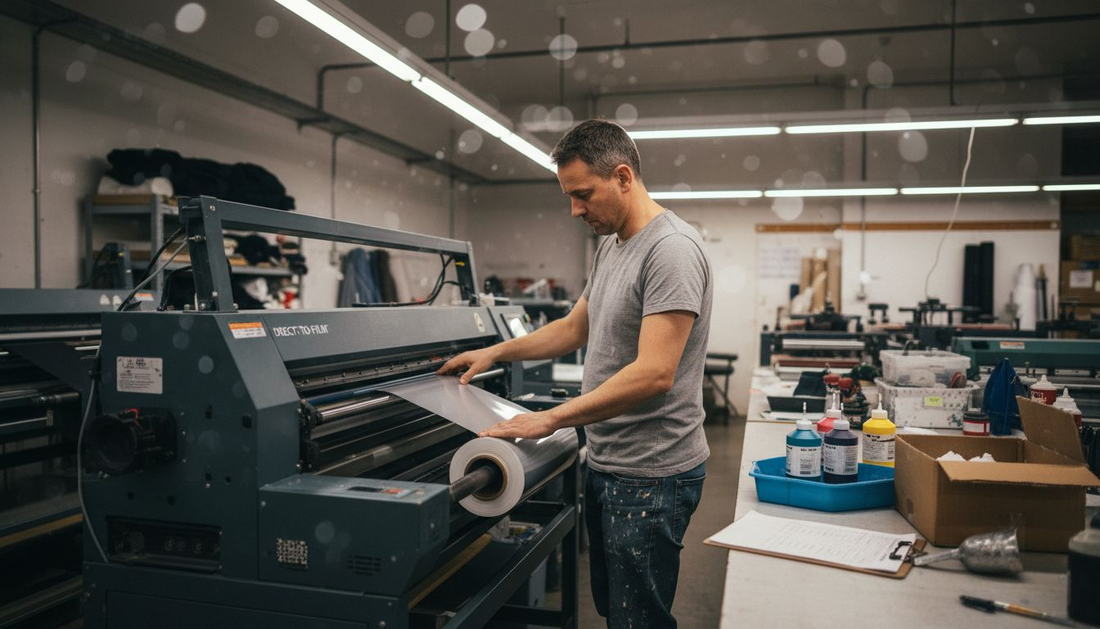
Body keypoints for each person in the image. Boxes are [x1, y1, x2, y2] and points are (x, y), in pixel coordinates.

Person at [437, 119, 712, 628]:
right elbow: (572, 328)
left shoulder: (671, 250)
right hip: (611, 460)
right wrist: (496, 352)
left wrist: (550, 420)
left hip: (652, 474)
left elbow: (654, 374)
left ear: (624, 177)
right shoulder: (612, 245)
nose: (575, 210)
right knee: (615, 610)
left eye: (583, 194)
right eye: (569, 195)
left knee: (638, 620)